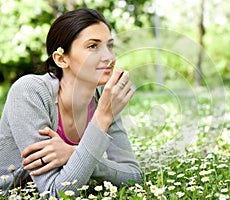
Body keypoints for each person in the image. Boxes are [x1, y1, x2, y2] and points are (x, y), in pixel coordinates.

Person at [0, 8, 142, 197]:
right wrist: (102, 117)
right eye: (93, 46)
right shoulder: (30, 91)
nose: (109, 57)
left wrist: (73, 153)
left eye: (110, 45)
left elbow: (134, 176)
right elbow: (56, 193)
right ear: (61, 59)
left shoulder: (102, 96)